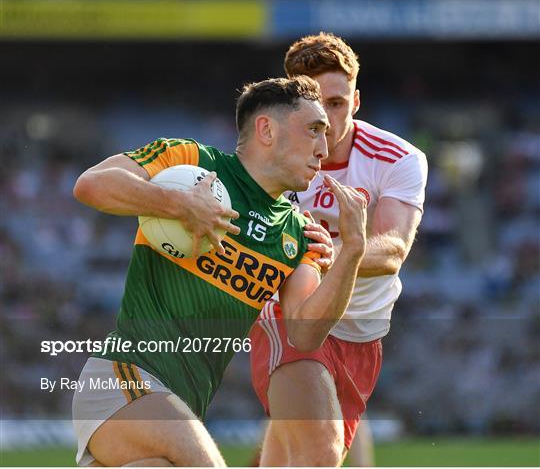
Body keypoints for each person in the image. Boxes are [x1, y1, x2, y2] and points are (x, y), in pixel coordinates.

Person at [71, 75, 368, 467]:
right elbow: (91, 185)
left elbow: (304, 333)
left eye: (326, 135)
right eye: (313, 130)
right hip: (121, 377)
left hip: (181, 404)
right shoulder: (190, 161)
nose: (323, 148)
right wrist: (178, 205)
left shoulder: (299, 232)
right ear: (266, 129)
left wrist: (353, 252)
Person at [250, 33, 428, 466]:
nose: (327, 119)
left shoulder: (397, 158)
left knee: (284, 460)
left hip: (362, 333)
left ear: (357, 100)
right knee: (319, 454)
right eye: (314, 105)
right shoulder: (265, 161)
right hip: (291, 316)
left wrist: (331, 253)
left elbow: (391, 251)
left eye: (337, 103)